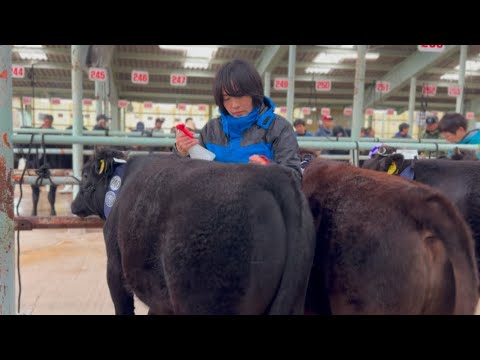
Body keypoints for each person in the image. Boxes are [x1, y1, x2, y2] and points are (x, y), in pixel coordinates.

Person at [174, 58, 302, 181]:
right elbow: (190, 173)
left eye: (240, 96)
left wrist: (269, 170)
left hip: (260, 201)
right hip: (215, 201)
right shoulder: (211, 129)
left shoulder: (278, 128)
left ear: (254, 92)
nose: (234, 105)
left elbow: (295, 177)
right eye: (227, 98)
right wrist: (183, 152)